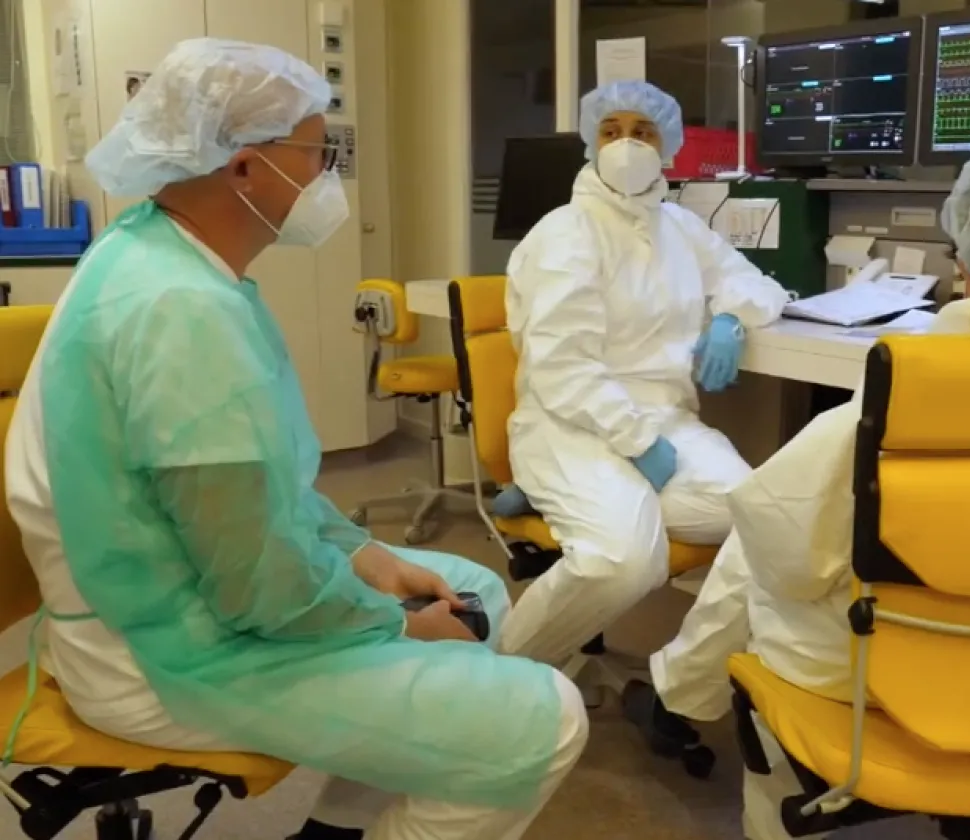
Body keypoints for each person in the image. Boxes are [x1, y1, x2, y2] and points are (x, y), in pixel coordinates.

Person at [2, 39, 586, 840]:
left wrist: (366, 556)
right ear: (246, 167)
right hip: (165, 655)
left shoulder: (157, 251)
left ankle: (334, 828)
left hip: (168, 596)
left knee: (473, 587)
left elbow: (257, 492)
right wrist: (392, 623)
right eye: (318, 153)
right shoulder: (181, 310)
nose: (326, 176)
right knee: (547, 720)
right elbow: (258, 585)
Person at [622, 136, 970, 752]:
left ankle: (679, 699)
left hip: (890, 672)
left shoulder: (919, 384)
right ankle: (677, 696)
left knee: (763, 527)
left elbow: (788, 555)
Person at [495, 80, 791, 666]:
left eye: (643, 132)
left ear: (669, 146)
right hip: (571, 427)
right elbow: (563, 367)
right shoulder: (565, 233)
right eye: (611, 132)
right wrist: (635, 441)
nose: (626, 145)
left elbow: (755, 283)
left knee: (768, 521)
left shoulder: (679, 227)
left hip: (666, 425)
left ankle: (684, 680)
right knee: (624, 559)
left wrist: (730, 317)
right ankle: (502, 671)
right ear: (591, 144)